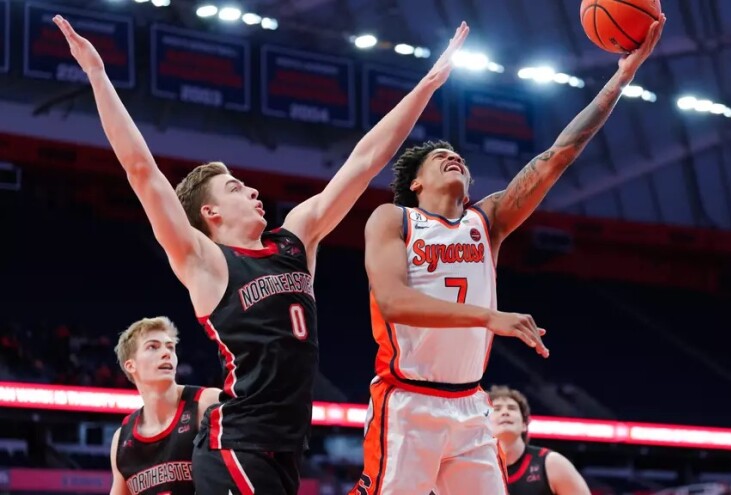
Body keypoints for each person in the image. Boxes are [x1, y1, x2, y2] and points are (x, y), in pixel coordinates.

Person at [54, 14, 470, 494]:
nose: (251, 189)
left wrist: (428, 85)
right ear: (209, 212)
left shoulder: (296, 239)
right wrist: (98, 75)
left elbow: (364, 160)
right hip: (236, 445)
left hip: (286, 451)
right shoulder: (205, 263)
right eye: (235, 187)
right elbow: (141, 170)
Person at [350, 15, 665, 495]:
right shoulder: (393, 220)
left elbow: (559, 154)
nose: (453, 157)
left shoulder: (487, 219)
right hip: (407, 401)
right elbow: (392, 302)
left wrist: (622, 76)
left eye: (458, 156)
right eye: (440, 158)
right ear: (415, 183)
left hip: (469, 405)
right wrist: (488, 317)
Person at [110, 316, 221, 495]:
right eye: (153, 347)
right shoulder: (121, 440)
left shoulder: (206, 403)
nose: (166, 353)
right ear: (131, 365)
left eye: (170, 347)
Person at [489, 386, 590, 495]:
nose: (505, 412)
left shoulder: (551, 463)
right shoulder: (474, 467)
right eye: (497, 409)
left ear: (524, 424)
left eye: (512, 408)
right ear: (485, 424)